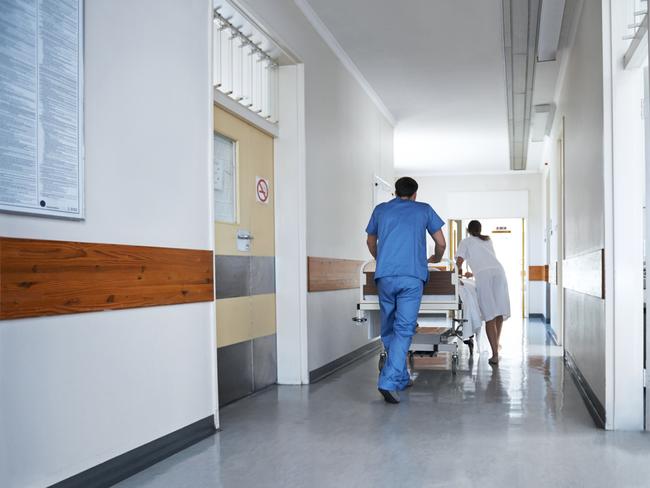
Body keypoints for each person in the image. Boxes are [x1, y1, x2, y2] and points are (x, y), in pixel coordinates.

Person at [366, 177, 446, 404]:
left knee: (389, 327)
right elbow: (441, 243)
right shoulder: (424, 210)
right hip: (411, 277)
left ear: (395, 192)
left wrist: (382, 259)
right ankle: (388, 381)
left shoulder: (381, 210)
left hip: (385, 277)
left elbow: (370, 242)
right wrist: (436, 259)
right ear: (415, 194)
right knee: (404, 329)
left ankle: (400, 375)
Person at [455, 220, 510, 365]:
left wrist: (455, 276)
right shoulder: (487, 240)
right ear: (480, 229)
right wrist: (473, 274)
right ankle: (496, 347)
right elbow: (487, 263)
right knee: (498, 312)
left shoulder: (465, 241)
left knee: (489, 315)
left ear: (468, 230)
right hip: (499, 272)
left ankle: (495, 354)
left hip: (484, 276)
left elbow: (459, 262)